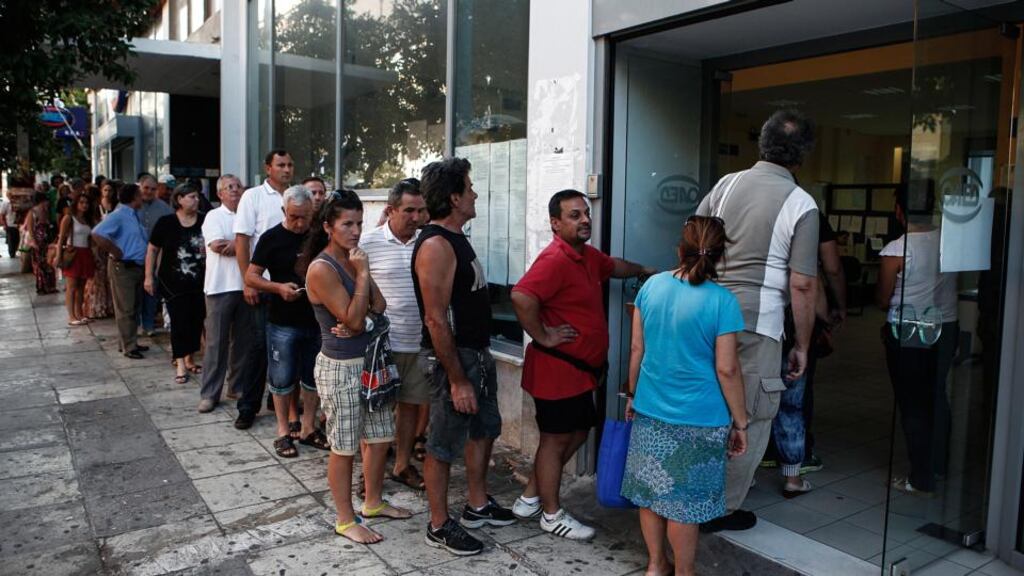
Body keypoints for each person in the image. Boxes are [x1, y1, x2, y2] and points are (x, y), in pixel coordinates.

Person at [695, 109, 819, 532]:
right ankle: (719, 509)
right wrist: (802, 344)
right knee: (752, 412)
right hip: (756, 324)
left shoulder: (725, 185)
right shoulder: (801, 203)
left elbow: (693, 244)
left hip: (704, 313)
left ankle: (687, 495)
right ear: (802, 156)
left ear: (762, 145)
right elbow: (802, 284)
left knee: (706, 407)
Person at [510, 189, 654, 540]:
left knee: (575, 432)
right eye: (574, 215)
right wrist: (542, 335)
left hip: (578, 373)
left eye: (586, 213)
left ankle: (530, 497)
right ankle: (550, 513)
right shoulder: (556, 259)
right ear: (555, 224)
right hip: (556, 370)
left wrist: (645, 270)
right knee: (555, 441)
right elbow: (521, 295)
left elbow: (613, 266)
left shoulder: (586, 256)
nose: (585, 219)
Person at [622, 216, 748, 576]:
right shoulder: (723, 302)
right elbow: (727, 369)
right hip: (701, 418)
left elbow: (636, 350)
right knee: (684, 505)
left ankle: (655, 565)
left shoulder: (652, 287)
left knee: (651, 494)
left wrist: (632, 394)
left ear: (681, 249)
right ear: (721, 257)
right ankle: (684, 572)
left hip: (650, 408)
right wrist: (741, 422)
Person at [412, 157, 515, 557]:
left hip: (476, 352)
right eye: (469, 189)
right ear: (455, 198)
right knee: (441, 444)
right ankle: (438, 525)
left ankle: (477, 504)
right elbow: (435, 320)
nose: (474, 195)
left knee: (484, 429)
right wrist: (457, 379)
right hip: (452, 360)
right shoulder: (436, 244)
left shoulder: (457, 237)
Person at [305, 188, 412, 543]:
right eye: (347, 224)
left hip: (369, 362)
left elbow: (378, 307)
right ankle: (345, 519)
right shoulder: (322, 268)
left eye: (359, 223)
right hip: (341, 368)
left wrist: (362, 287)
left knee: (381, 437)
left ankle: (373, 502)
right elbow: (351, 322)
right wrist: (362, 277)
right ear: (327, 227)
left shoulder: (353, 259)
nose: (355, 231)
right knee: (344, 445)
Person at [876, 181, 957, 496]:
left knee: (912, 403)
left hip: (908, 328)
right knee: (937, 395)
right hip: (946, 325)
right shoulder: (948, 243)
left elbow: (883, 298)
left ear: (899, 210)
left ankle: (920, 477)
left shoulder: (897, 248)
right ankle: (938, 466)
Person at [763, 212, 847, 497]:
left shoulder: (757, 255)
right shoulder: (803, 259)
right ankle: (792, 478)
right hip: (791, 334)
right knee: (791, 404)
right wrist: (815, 331)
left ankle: (745, 473)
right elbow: (815, 293)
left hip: (757, 332)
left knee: (748, 402)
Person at [244, 185, 328, 457]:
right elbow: (251, 276)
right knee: (281, 379)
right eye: (294, 217)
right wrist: (278, 288)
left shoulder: (318, 237)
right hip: (282, 321)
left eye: (305, 217)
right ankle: (282, 431)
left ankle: (307, 428)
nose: (300, 223)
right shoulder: (271, 238)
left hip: (315, 320)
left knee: (312, 378)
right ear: (284, 211)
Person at [358, 177, 430, 491]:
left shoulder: (428, 243)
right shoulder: (368, 243)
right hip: (381, 346)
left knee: (411, 405)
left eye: (421, 210)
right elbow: (355, 290)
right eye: (409, 210)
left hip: (419, 341)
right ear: (390, 210)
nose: (417, 217)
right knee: (376, 408)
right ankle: (368, 473)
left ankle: (402, 464)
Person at [197, 175, 263, 425]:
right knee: (216, 343)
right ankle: (209, 393)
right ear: (220, 194)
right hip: (219, 288)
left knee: (243, 343)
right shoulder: (213, 217)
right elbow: (217, 246)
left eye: (238, 186)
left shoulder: (249, 214)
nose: (235, 191)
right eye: (229, 187)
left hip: (246, 285)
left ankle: (235, 386)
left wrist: (238, 244)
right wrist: (244, 243)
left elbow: (252, 244)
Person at [235, 149, 295, 414]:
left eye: (290, 165)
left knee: (286, 346)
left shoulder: (296, 196)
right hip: (263, 284)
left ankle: (277, 399)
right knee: (259, 346)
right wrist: (247, 281)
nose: (286, 169)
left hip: (291, 288)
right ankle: (248, 406)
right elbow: (242, 240)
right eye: (281, 165)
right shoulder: (253, 196)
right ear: (268, 167)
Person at [145, 183, 207, 383]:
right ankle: (179, 362)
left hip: (199, 281)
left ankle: (189, 358)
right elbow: (152, 249)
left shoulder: (205, 220)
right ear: (179, 199)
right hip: (172, 282)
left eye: (197, 197)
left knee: (195, 320)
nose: (195, 200)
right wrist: (148, 276)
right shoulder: (166, 222)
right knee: (178, 321)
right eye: (191, 197)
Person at [92, 184, 150, 359]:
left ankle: (128, 340)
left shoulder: (133, 215)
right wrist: (115, 250)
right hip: (123, 266)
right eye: (140, 195)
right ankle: (128, 346)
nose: (142, 198)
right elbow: (97, 233)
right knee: (125, 308)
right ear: (133, 198)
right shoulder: (119, 215)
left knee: (134, 306)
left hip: (136, 266)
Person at [137, 173, 174, 336]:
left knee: (152, 291)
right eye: (146, 188)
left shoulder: (164, 208)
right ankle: (135, 325)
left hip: (156, 255)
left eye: (153, 189)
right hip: (135, 256)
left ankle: (148, 324)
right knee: (134, 293)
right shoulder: (132, 205)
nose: (149, 192)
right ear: (140, 187)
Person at [57, 192, 97, 325]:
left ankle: (79, 313)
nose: (84, 205)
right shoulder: (69, 218)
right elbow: (61, 238)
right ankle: (71, 316)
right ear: (76, 204)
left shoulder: (88, 220)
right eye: (81, 202)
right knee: (72, 286)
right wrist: (58, 256)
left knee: (81, 286)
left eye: (86, 203)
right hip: (73, 252)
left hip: (85, 252)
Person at [84, 180, 120, 319]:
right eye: (105, 190)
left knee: (108, 276)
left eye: (110, 190)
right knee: (97, 276)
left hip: (112, 243)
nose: (108, 193)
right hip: (97, 244)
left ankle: (109, 306)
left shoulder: (117, 206)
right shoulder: (96, 207)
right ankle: (96, 307)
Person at [23, 192, 57, 294]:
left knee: (44, 263)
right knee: (43, 263)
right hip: (41, 240)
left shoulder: (39, 211)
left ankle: (46, 286)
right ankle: (46, 286)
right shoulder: (36, 212)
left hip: (43, 241)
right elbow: (31, 228)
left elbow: (32, 228)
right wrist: (34, 241)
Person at [2, 191, 18, 258]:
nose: (12, 196)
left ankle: (15, 251)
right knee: (11, 241)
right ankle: (12, 253)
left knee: (17, 240)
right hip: (10, 224)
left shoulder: (18, 203)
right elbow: (2, 215)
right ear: (8, 196)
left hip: (18, 225)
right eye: (10, 195)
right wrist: (4, 225)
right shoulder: (5, 203)